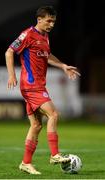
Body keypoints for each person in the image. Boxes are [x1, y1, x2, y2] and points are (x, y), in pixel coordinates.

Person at [5, 6, 80, 175]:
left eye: (53, 21)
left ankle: (26, 163)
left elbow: (47, 55)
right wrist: (12, 75)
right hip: (31, 85)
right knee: (53, 114)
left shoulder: (45, 37)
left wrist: (62, 66)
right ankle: (54, 155)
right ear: (39, 20)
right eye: (48, 21)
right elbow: (9, 52)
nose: (51, 24)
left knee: (37, 125)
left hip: (38, 85)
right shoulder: (27, 34)